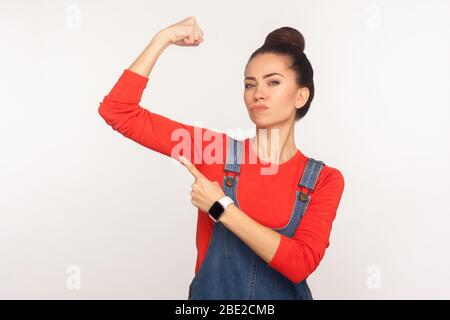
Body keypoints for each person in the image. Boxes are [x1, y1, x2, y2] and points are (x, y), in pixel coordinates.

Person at [98, 16, 345, 300]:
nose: (258, 94)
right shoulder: (212, 150)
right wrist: (162, 38)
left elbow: (299, 264)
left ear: (301, 96)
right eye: (250, 84)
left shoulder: (324, 180)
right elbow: (118, 111)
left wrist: (221, 208)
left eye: (273, 82)